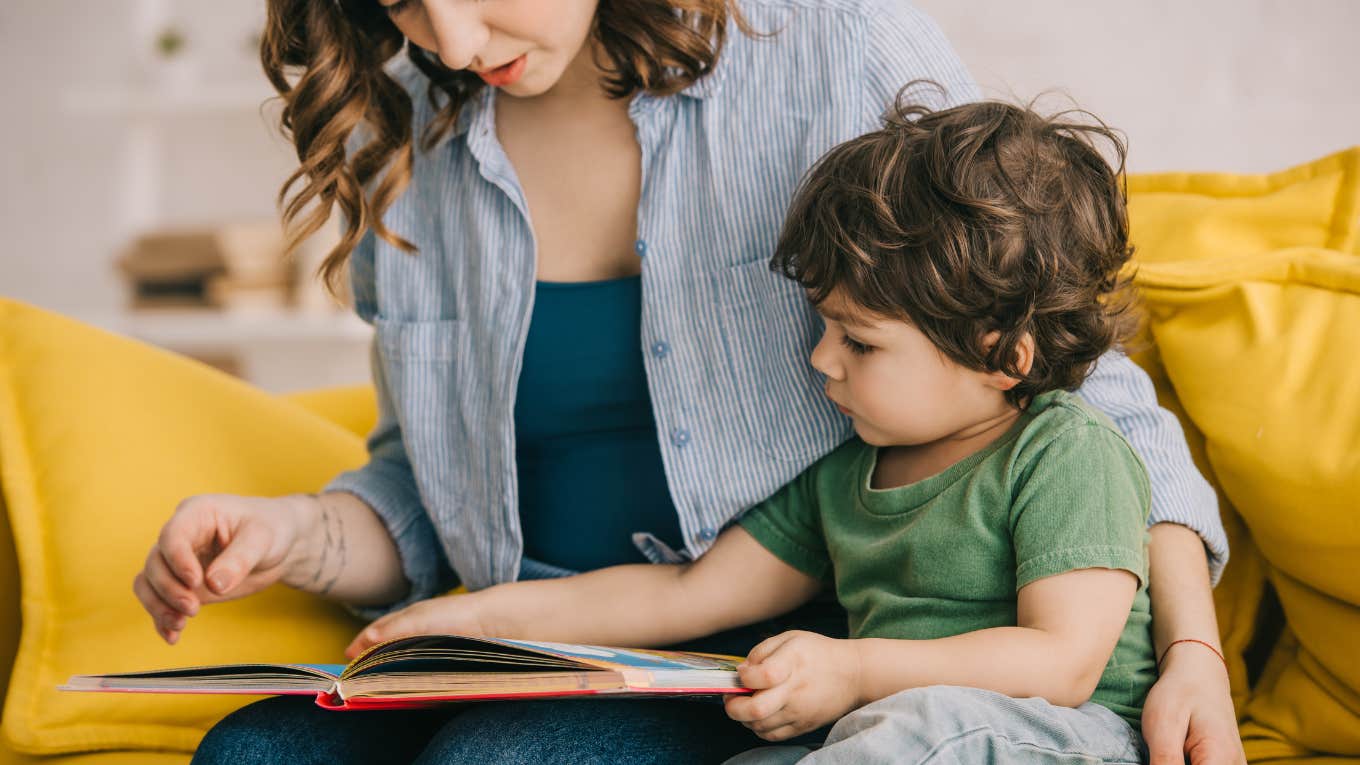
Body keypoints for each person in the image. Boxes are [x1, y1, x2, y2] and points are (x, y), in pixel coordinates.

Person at [133, 0, 1242, 762]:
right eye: (402, 5)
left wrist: (1190, 652)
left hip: (780, 647)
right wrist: (302, 534)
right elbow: (420, 484)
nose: (451, 40)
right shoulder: (408, 139)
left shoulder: (820, 44)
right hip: (529, 641)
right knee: (255, 749)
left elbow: (1061, 371)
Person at [347, 92, 1163, 764]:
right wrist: (476, 620)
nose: (821, 361)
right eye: (826, 328)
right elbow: (684, 592)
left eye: (860, 341)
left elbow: (1062, 660)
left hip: (1057, 736)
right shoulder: (845, 473)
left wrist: (852, 668)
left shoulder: (1066, 451)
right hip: (878, 732)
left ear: (1002, 354)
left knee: (909, 737)